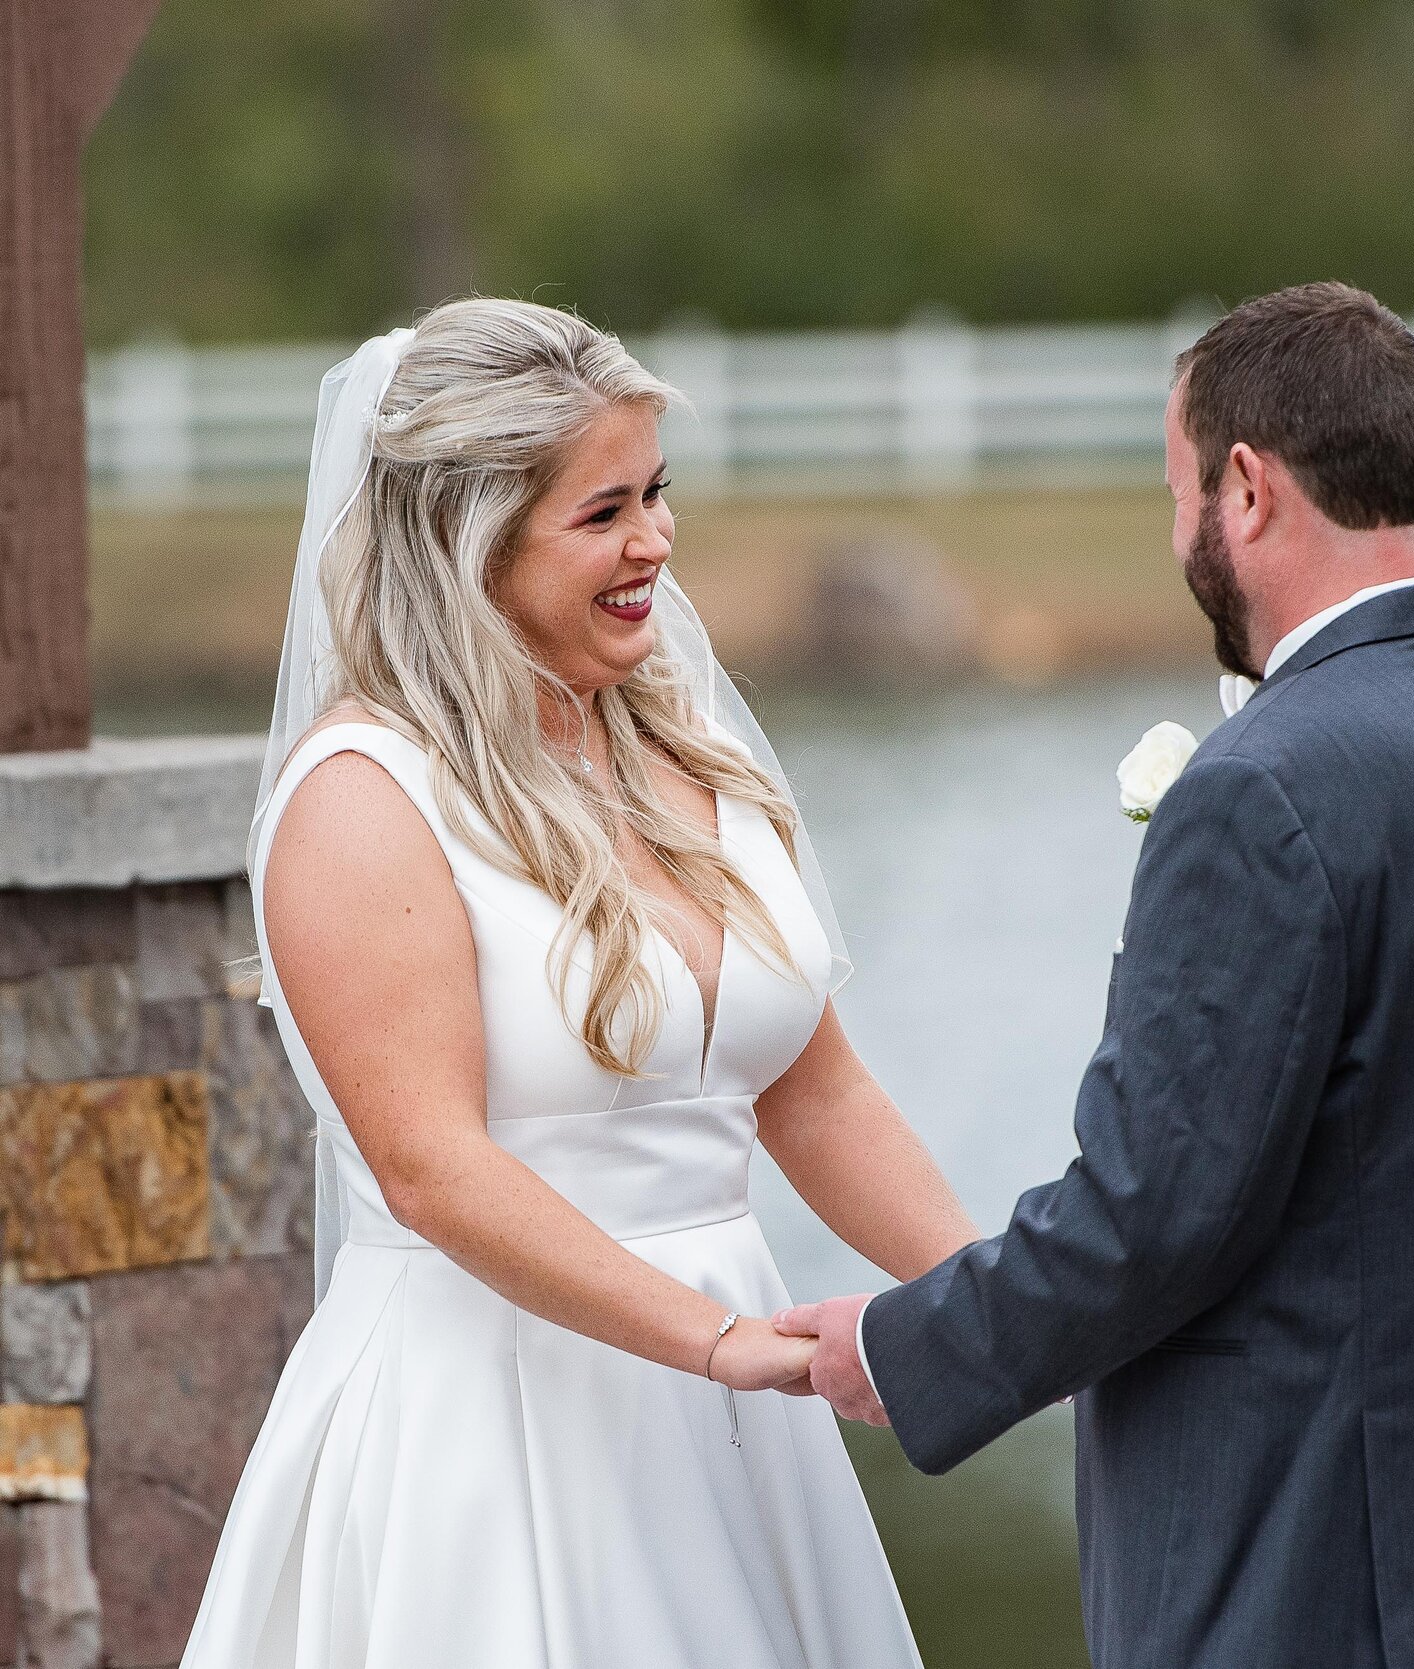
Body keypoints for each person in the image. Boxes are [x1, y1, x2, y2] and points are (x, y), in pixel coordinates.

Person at [778, 282, 1414, 1669]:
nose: (1177, 535)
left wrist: (904, 1347)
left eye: (1177, 492)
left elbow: (1149, 1213)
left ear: (1247, 489)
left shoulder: (1262, 787)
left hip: (1315, 1582)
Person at [181, 299, 976, 1669]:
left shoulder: (690, 752)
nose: (657, 542)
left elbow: (818, 1089)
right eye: (605, 510)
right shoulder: (366, 797)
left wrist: (1006, 1307)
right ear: (467, 536)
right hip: (492, 1421)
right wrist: (717, 1339)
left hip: (733, 1424)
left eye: (657, 493)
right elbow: (432, 1167)